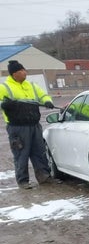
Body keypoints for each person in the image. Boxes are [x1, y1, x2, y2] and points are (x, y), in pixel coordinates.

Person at [1, 60, 57, 189]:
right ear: (14, 73)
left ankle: (44, 176)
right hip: (17, 127)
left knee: (39, 152)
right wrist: (4, 104)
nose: (24, 72)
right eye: (21, 71)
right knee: (21, 154)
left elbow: (43, 95)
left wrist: (47, 101)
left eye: (24, 70)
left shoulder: (31, 85)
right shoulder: (4, 87)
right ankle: (23, 181)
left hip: (34, 124)